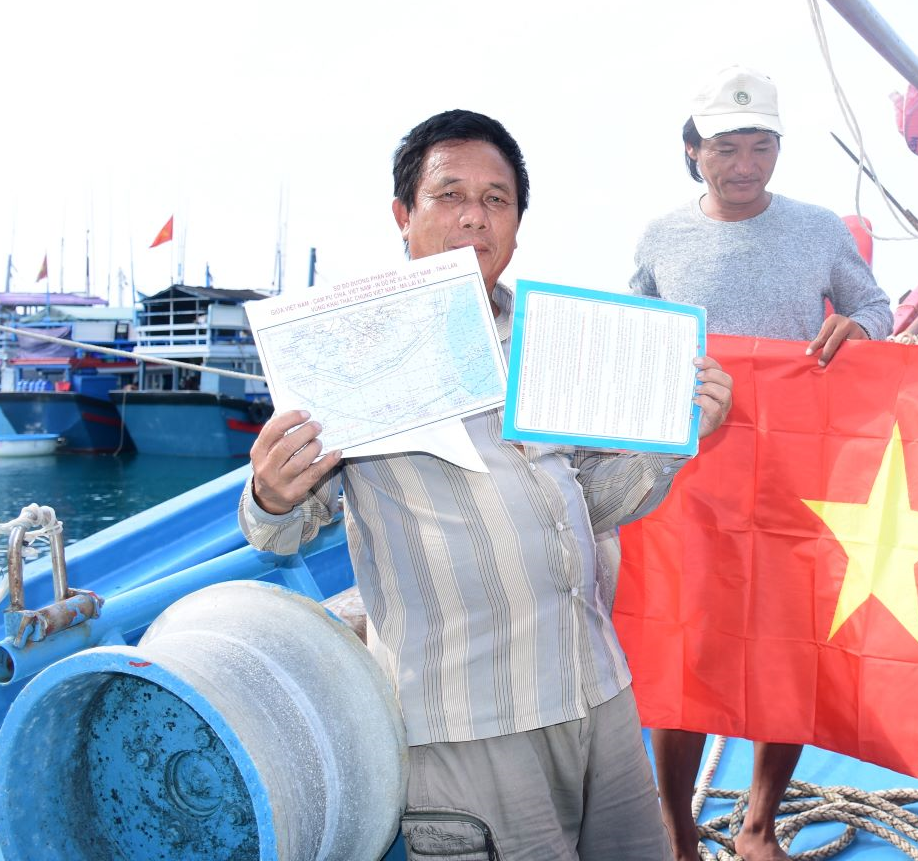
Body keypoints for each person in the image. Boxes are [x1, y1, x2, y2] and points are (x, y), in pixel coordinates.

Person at [239, 109, 735, 861]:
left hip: (596, 693)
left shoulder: (550, 335)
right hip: (468, 728)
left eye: (497, 200)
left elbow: (588, 501)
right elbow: (280, 529)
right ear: (403, 216)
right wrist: (271, 492)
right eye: (449, 195)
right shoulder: (347, 347)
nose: (475, 216)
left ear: (517, 223)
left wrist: (677, 437)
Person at [630, 66, 894, 861]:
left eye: (761, 146)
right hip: (688, 482)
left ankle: (758, 824)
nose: (745, 165)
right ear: (691, 150)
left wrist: (858, 331)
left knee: (791, 650)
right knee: (683, 651)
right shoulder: (659, 238)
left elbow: (875, 309)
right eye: (725, 148)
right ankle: (678, 836)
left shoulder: (820, 231)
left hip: (796, 480)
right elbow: (633, 339)